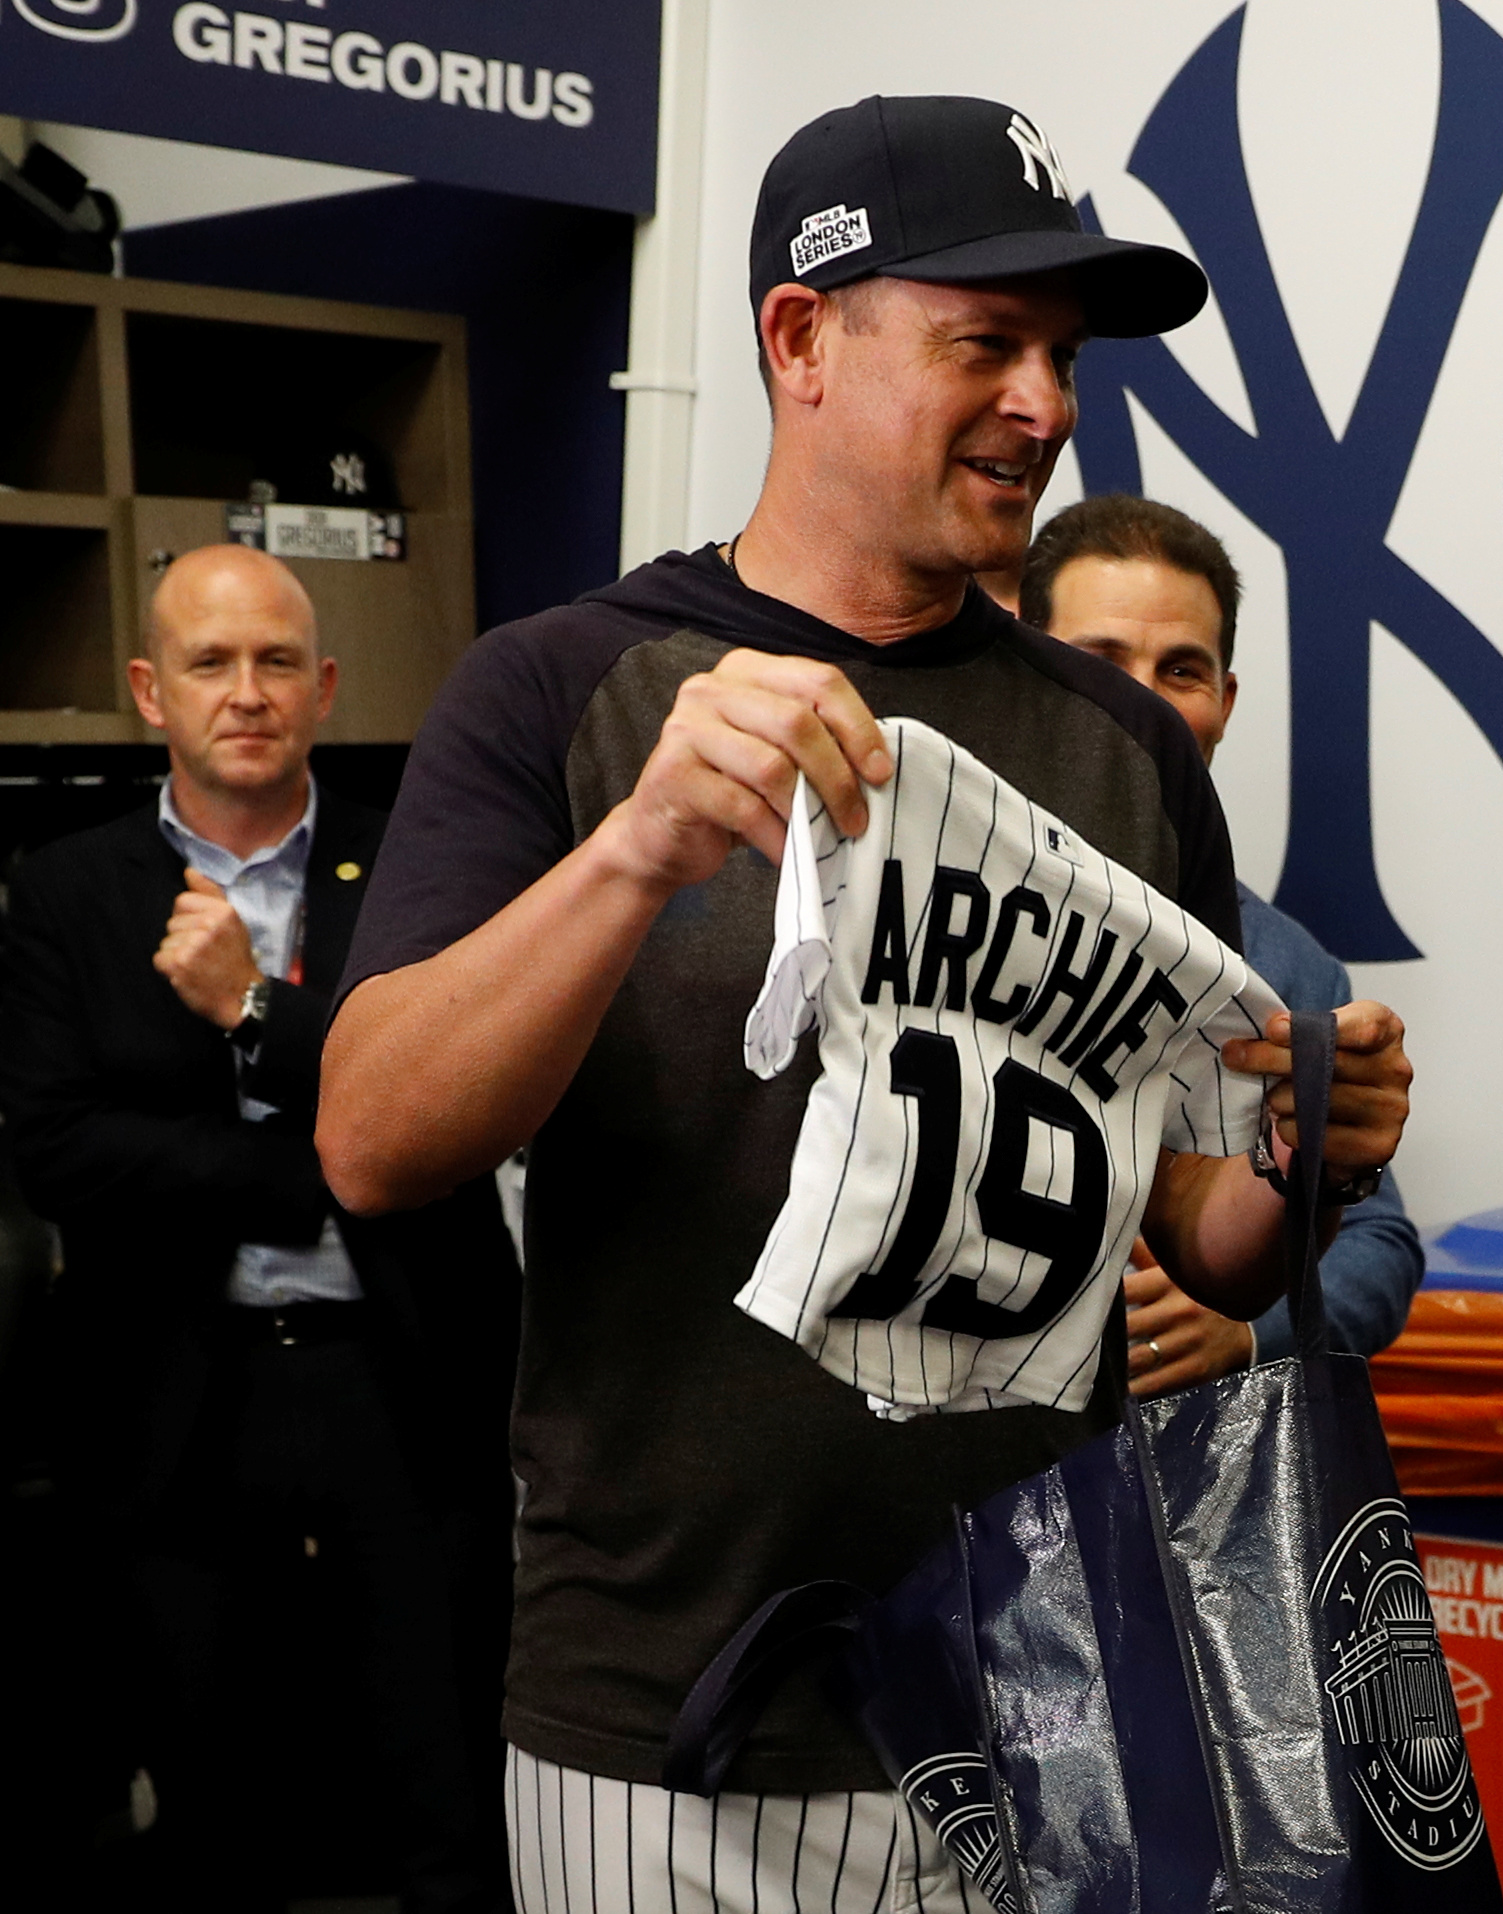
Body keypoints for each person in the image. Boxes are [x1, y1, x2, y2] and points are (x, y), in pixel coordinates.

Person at [314, 95, 1412, 1913]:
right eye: (985, 343)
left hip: (1043, 1685)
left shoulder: (1120, 747)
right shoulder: (563, 687)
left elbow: (1193, 1227)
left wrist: (1304, 1156)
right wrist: (639, 850)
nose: (1045, 406)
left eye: (1059, 357)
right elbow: (371, 1137)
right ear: (800, 338)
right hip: (670, 1712)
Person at [0, 545, 519, 1914]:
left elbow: (462, 1104)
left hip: (398, 1381)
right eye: (210, 662)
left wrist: (249, 1008)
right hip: (170, 1392)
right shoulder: (64, 889)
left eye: (277, 660)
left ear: (326, 683)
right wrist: (318, 1165)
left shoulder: (427, 860)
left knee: (447, 1794)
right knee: (212, 1801)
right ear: (147, 690)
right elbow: (58, 1147)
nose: (248, 691)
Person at [1014, 491, 1425, 1394]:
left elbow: (1381, 1244)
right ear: (1020, 665)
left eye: (1182, 670)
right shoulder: (929, 893)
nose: (1143, 702)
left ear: (1225, 702)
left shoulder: (1285, 966)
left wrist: (1249, 1330)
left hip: (1171, 1494)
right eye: (1102, 659)